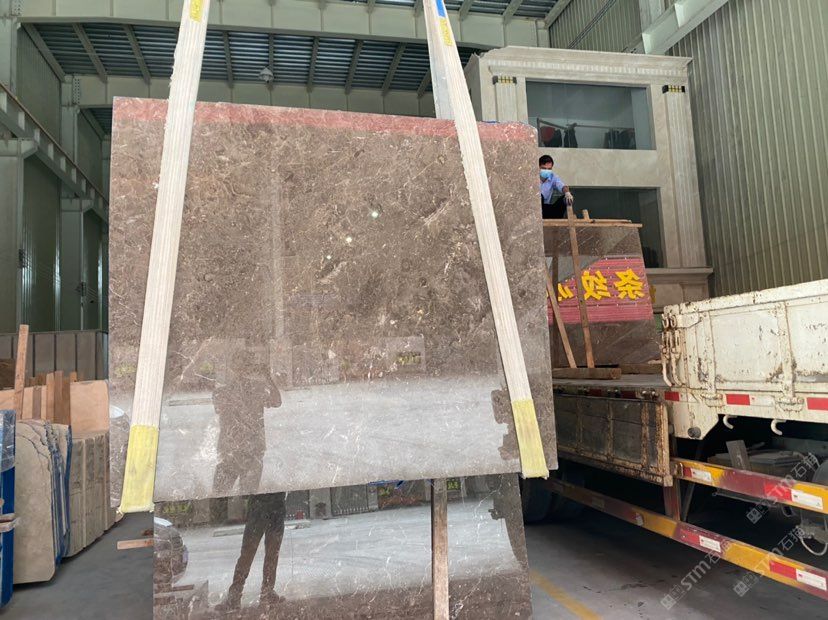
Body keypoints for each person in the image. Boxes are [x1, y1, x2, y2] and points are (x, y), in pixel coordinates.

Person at [539, 155, 573, 219]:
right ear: (538, 167)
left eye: (549, 169)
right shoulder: (531, 176)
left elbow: (562, 186)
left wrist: (567, 193)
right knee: (540, 196)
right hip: (532, 210)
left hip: (545, 209)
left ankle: (556, 220)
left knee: (565, 198)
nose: (546, 171)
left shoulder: (553, 177)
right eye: (544, 168)